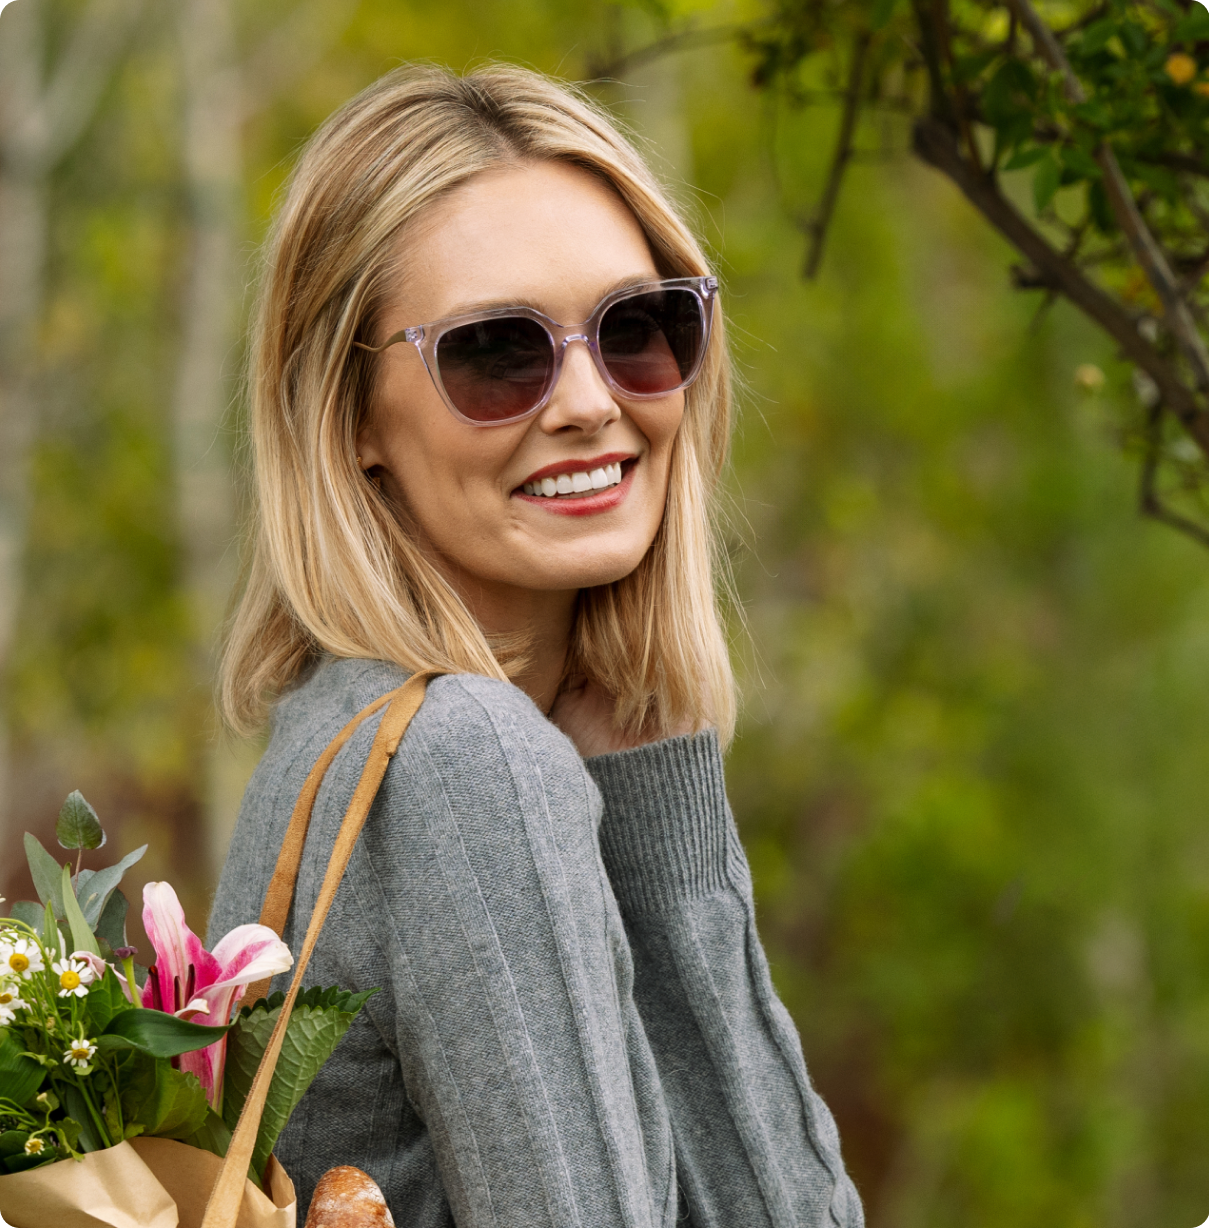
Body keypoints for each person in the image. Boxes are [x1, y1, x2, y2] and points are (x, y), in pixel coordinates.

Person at [208, 63, 863, 1228]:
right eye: (498, 354)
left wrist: (652, 796)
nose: (588, 400)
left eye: (638, 328)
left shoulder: (329, 731)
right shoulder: (472, 762)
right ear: (350, 414)